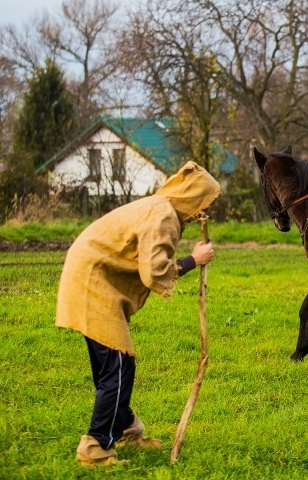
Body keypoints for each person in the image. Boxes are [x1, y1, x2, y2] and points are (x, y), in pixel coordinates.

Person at [56, 161, 221, 467]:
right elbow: (154, 271)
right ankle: (95, 447)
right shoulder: (163, 214)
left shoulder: (158, 206)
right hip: (93, 284)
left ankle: (125, 429)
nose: (203, 212)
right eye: (204, 203)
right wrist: (193, 260)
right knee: (117, 366)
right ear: (192, 196)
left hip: (90, 277)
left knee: (115, 365)